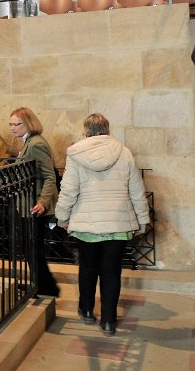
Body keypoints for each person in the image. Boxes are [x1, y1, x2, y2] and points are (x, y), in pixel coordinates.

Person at [55, 113, 149, 337]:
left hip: (87, 225)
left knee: (87, 268)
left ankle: (86, 310)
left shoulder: (76, 153)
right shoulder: (124, 153)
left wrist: (62, 217)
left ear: (85, 131)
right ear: (108, 129)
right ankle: (108, 321)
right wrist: (142, 220)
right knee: (111, 272)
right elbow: (137, 191)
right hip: (117, 225)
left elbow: (69, 190)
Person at [9, 107, 60, 297]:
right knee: (31, 248)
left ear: (28, 123)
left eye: (17, 124)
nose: (12, 128)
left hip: (34, 206)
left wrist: (42, 202)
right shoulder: (28, 142)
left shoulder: (36, 144)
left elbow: (49, 176)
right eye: (11, 124)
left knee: (34, 248)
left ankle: (46, 287)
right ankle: (41, 284)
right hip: (27, 205)